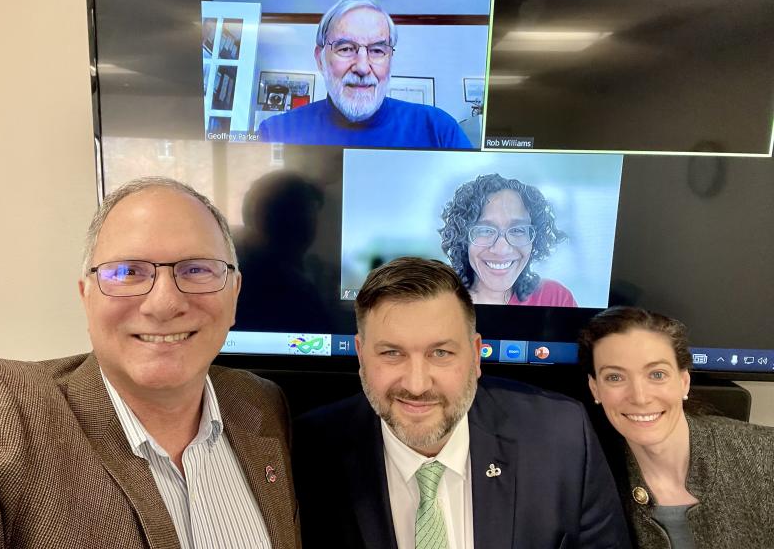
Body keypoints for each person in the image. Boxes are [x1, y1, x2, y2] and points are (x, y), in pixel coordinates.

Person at [0, 177, 300, 549]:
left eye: (196, 270)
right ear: (87, 295)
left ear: (235, 293)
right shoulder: (7, 413)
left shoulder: (262, 403)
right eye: (128, 272)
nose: (164, 304)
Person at [294, 256, 630, 548]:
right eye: (391, 353)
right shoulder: (309, 451)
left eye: (440, 353)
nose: (416, 384)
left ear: (475, 354)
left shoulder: (561, 436)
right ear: (361, 355)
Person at [579, 306, 774, 548]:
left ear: (684, 382)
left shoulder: (766, 455)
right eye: (615, 377)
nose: (640, 397)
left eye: (657, 374)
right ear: (595, 389)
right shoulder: (581, 482)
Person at [258, 0, 472, 149]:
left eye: (377, 50)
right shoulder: (276, 132)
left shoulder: (439, 130)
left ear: (390, 60)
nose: (362, 67)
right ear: (320, 60)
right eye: (345, 49)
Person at [439, 173, 576, 306]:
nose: (502, 249)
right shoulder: (439, 302)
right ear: (463, 238)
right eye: (485, 230)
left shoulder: (555, 298)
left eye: (517, 230)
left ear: (534, 239)